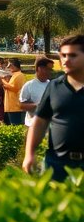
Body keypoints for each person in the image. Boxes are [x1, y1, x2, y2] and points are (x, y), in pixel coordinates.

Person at [23, 34, 84, 181]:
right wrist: (29, 153)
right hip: (56, 163)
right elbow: (40, 122)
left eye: (73, 55)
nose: (66, 60)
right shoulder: (54, 86)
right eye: (63, 55)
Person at [19, 55, 54, 124]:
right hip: (33, 125)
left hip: (49, 125)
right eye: (47, 69)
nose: (49, 72)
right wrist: (38, 105)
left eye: (51, 69)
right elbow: (21, 105)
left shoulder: (52, 85)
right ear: (39, 68)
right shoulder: (29, 85)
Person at [2, 58, 28, 126]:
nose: (8, 68)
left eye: (9, 65)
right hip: (11, 106)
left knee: (15, 125)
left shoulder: (19, 75)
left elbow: (14, 88)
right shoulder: (15, 75)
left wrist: (2, 81)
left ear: (13, 65)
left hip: (15, 106)